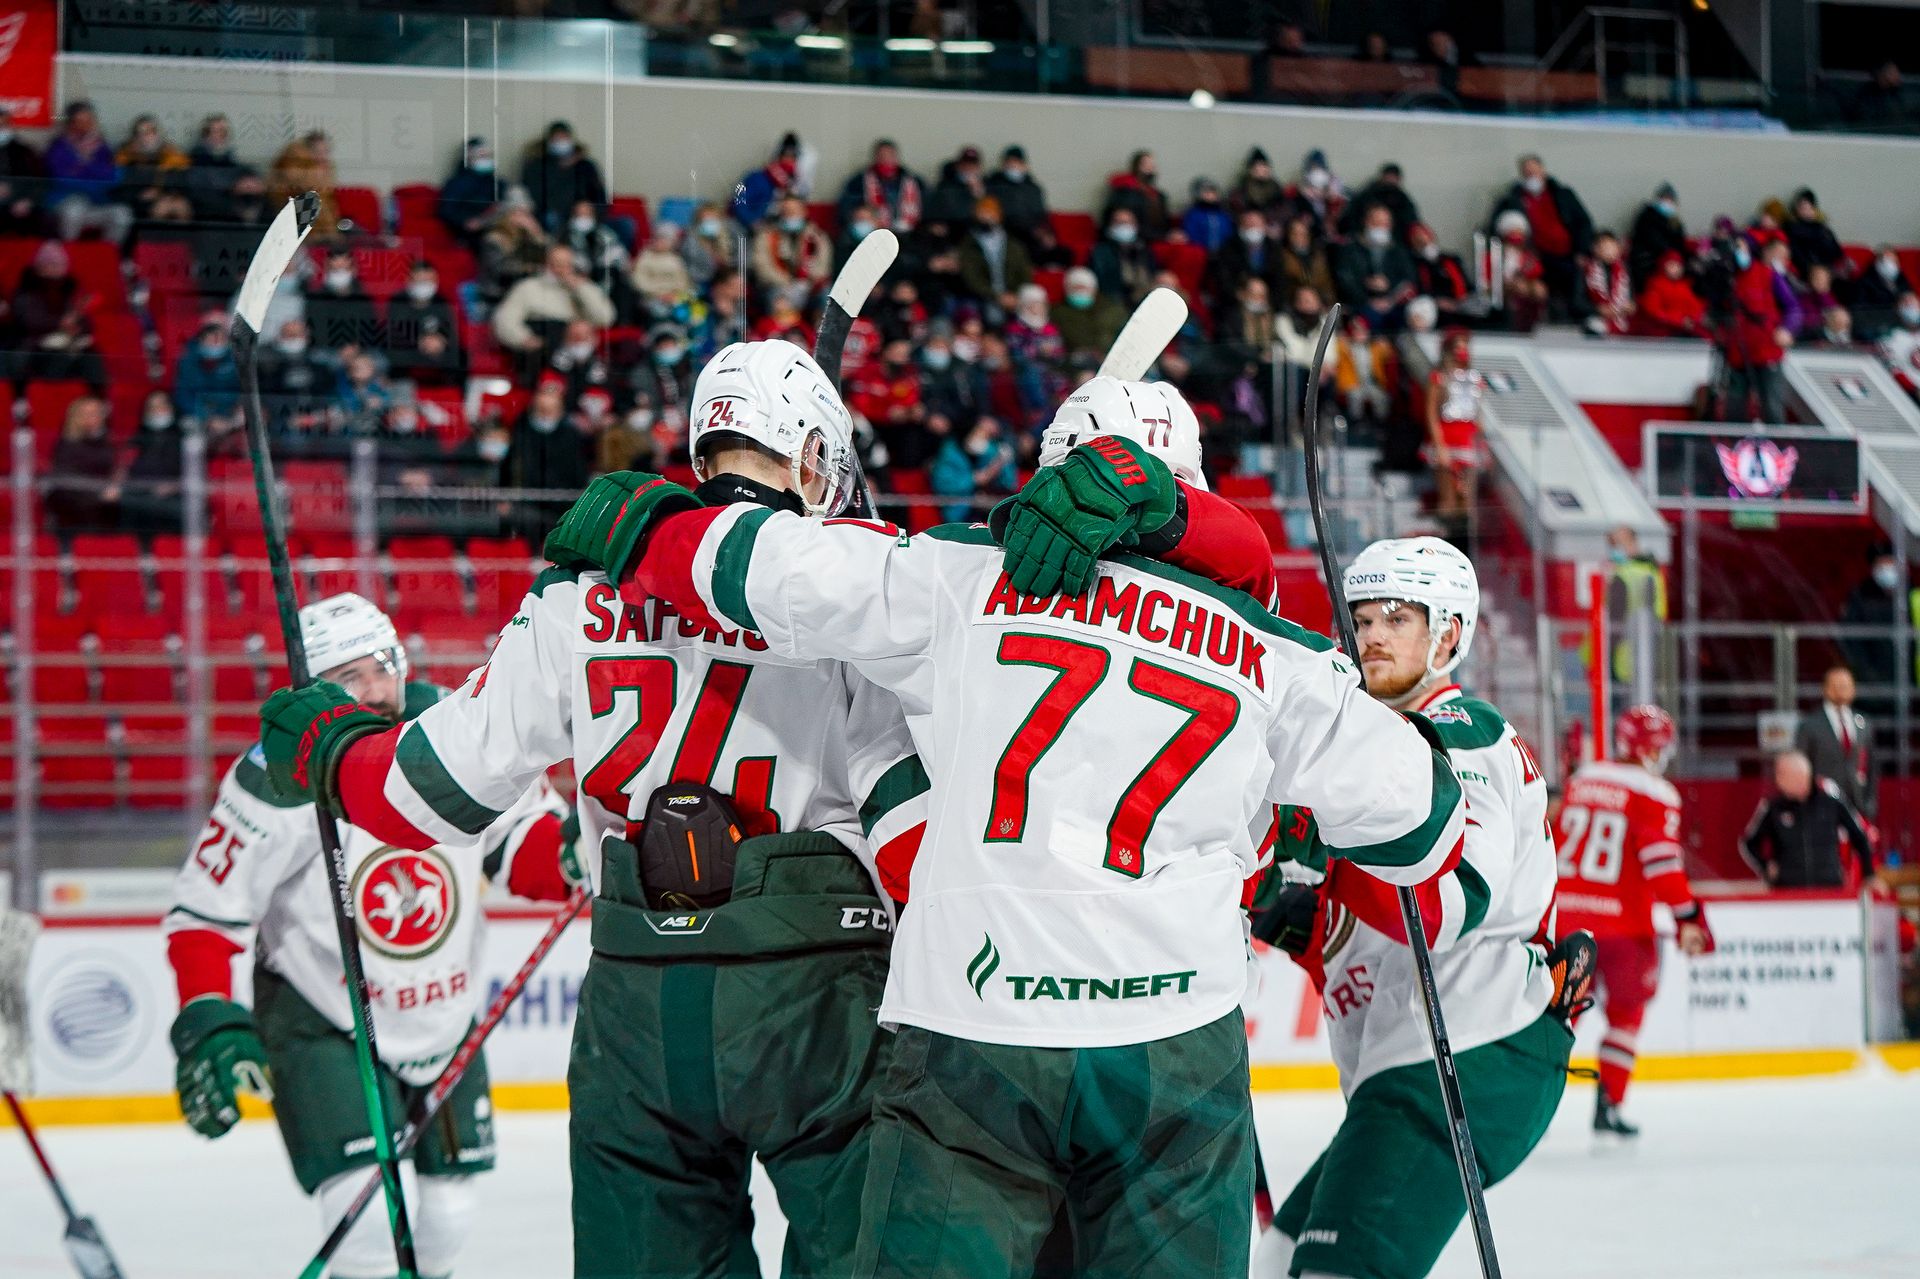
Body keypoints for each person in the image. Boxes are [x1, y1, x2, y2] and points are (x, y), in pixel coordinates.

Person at [531, 392, 1466, 1279]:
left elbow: (754, 570)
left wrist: (650, 527)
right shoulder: (1279, 654)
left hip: (971, 1028)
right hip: (1174, 1035)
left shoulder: (957, 575)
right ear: (1196, 491)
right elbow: (1427, 824)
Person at [252, 342, 926, 1278]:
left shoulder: (583, 584)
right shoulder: (853, 580)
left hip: (638, 994)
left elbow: (432, 788)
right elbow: (907, 817)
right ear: (812, 453)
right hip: (815, 992)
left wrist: (332, 747)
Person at [168, 594, 573, 1279]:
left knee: (447, 1221)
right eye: (351, 678)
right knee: (364, 1231)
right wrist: (210, 1015)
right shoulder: (279, 774)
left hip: (439, 1015)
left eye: (384, 664)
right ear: (315, 688)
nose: (379, 689)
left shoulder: (453, 727)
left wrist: (569, 853)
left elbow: (516, 841)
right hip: (325, 1014)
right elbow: (207, 911)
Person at [1254, 536, 1578, 1278]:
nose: (1371, 635)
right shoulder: (1370, 746)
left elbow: (1447, 903)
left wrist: (1323, 852)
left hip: (1465, 1047)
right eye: (1362, 618)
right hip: (1410, 1057)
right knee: (1277, 1259)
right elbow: (1339, 926)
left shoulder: (1460, 734)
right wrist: (1270, 901)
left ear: (1449, 634)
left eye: (1396, 618)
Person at [1556, 705, 1713, 1138]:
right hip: (1626, 926)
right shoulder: (1655, 792)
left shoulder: (1584, 778)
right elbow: (1661, 865)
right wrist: (1689, 916)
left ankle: (1529, 1106)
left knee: (1557, 1019)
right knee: (1626, 1016)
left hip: (1567, 919)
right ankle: (1609, 1105)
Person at [1742, 751, 1876, 889]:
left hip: (1830, 889)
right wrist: (1766, 867)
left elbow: (1860, 837)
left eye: (1803, 778)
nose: (1802, 783)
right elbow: (1748, 843)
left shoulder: (1831, 802)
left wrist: (1869, 874)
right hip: (1788, 892)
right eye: (1794, 778)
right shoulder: (1772, 807)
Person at [1488, 154, 1593, 320]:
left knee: (1575, 278)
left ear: (1543, 171)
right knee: (1532, 287)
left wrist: (1582, 250)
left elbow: (1583, 222)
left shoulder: (1563, 194)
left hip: (1567, 255)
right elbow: (1497, 226)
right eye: (1527, 172)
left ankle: (1574, 318)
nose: (1531, 175)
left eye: (1534, 171)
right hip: (1534, 255)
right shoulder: (1512, 199)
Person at [493, 245, 616, 377]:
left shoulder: (583, 287)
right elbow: (505, 319)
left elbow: (606, 317)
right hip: (540, 345)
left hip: (573, 345)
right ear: (546, 264)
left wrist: (581, 289)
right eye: (556, 263)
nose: (560, 269)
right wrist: (523, 338)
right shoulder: (528, 287)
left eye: (566, 264)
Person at [1795, 664, 1877, 821]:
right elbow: (1801, 768)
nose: (1842, 689)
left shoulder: (1864, 724)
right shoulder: (1809, 725)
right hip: (1821, 808)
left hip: (1858, 807)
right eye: (1837, 685)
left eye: (1846, 685)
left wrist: (1870, 805)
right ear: (1825, 689)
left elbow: (1871, 768)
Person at [43, 100, 133, 244]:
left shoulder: (103, 148)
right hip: (66, 203)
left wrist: (84, 166)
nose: (85, 126)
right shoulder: (58, 148)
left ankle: (105, 257)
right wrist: (95, 177)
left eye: (88, 120)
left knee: (121, 215)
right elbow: (62, 180)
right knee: (74, 211)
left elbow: (115, 177)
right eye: (79, 121)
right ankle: (68, 259)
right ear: (70, 123)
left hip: (97, 204)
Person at [1723, 234, 1791, 421]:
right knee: (1734, 407)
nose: (1739, 252)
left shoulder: (1769, 275)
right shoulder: (1729, 277)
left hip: (1766, 349)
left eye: (1742, 248)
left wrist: (1787, 329)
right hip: (1737, 350)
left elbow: (1793, 306)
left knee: (1771, 407)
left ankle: (1776, 447)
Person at [1426, 328, 1485, 536]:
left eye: (1465, 345)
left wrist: (1483, 441)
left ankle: (1465, 543)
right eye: (1457, 346)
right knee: (1448, 496)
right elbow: (1431, 413)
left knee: (1467, 497)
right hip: (1447, 434)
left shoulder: (1475, 377)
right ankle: (1446, 539)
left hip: (1468, 437)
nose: (1462, 350)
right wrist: (1439, 445)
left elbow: (1478, 412)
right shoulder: (1439, 378)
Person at [1336, 202, 1417, 330]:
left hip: (1393, 303)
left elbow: (1408, 278)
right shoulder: (1351, 249)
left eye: (1385, 223)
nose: (1381, 227)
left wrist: (1389, 286)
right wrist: (1366, 289)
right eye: (1376, 222)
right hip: (1360, 304)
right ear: (1367, 222)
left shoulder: (1398, 250)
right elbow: (1345, 279)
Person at [46, 394, 119, 533]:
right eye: (89, 413)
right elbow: (66, 480)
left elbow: (112, 469)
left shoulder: (107, 442)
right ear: (76, 417)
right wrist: (99, 495)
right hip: (75, 502)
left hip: (105, 499)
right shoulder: (66, 445)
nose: (95, 417)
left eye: (98, 413)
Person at [385, 261, 464, 386]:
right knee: (393, 353)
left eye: (428, 280)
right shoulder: (398, 301)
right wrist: (419, 341)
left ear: (436, 281)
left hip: (435, 351)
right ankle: (400, 393)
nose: (424, 285)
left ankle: (454, 396)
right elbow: (394, 332)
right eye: (420, 280)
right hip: (407, 350)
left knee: (461, 357)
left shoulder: (442, 302)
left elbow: (450, 334)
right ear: (409, 280)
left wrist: (440, 341)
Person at [519, 121, 606, 232]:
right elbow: (533, 199)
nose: (560, 142)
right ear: (549, 142)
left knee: (624, 225)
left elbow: (600, 198)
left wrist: (591, 209)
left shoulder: (586, 166)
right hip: (549, 217)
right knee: (551, 218)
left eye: (564, 137)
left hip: (587, 217)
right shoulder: (535, 167)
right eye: (556, 138)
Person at [1839, 545, 1905, 690]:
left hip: (1909, 682)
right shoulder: (1861, 596)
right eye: (1881, 565)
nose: (1886, 569)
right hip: (1872, 684)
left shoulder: (1911, 594)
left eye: (1890, 563)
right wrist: (1867, 674)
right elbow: (1849, 638)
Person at [929, 412, 1015, 522]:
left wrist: (997, 458)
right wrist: (974, 479)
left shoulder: (990, 449)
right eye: (979, 431)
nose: (983, 436)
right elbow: (942, 486)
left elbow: (1009, 482)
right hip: (959, 512)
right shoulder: (949, 454)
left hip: (990, 509)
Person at [958, 196, 1033, 321]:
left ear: (999, 215)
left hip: (1013, 295)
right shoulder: (969, 244)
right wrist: (998, 296)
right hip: (985, 296)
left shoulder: (1013, 245)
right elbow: (972, 279)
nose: (986, 217)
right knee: (994, 316)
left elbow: (1024, 273)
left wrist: (1016, 295)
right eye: (982, 213)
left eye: (990, 213)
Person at [257, 319, 338, 434]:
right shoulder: (267, 362)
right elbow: (265, 395)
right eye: (288, 335)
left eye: (297, 335)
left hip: (316, 419)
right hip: (279, 421)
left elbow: (329, 392)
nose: (293, 340)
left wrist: (314, 417)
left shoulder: (319, 361)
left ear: (306, 336)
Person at [750, 195, 833, 306]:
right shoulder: (767, 236)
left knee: (827, 295)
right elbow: (763, 267)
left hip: (809, 286)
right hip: (779, 286)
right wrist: (787, 283)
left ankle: (823, 322)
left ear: (804, 212)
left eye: (795, 211)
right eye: (786, 211)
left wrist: (808, 282)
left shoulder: (817, 236)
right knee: (778, 298)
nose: (791, 214)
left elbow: (823, 265)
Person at [113, 113, 190, 224]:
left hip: (168, 197)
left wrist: (168, 195)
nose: (147, 137)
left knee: (181, 206)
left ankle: (182, 240)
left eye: (152, 131)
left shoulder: (171, 154)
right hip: (138, 201)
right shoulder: (125, 156)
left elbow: (182, 181)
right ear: (135, 137)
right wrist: (140, 196)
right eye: (142, 133)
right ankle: (155, 240)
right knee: (161, 209)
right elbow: (119, 189)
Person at [305, 250, 386, 354]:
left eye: (344, 268)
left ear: (354, 270)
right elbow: (317, 331)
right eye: (335, 269)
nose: (340, 273)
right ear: (326, 270)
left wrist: (356, 347)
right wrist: (340, 349)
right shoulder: (316, 299)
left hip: (359, 350)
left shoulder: (364, 297)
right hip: (328, 350)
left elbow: (370, 329)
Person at [172, 320, 244, 436]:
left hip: (229, 413)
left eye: (221, 340)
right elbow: (183, 394)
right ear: (201, 341)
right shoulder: (187, 361)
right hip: (198, 415)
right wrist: (207, 417)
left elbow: (241, 390)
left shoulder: (236, 361)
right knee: (190, 429)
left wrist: (231, 411)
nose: (216, 344)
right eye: (211, 340)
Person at [838, 138, 925, 233]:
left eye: (890, 155)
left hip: (910, 232)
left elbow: (926, 208)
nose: (886, 160)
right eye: (882, 156)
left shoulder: (914, 181)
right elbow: (847, 211)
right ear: (875, 158)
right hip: (872, 232)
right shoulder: (858, 182)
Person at [268, 130, 340, 237]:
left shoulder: (325, 171)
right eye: (318, 152)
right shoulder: (295, 171)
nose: (323, 157)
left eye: (326, 152)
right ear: (306, 152)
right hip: (294, 226)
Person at [438, 137, 502, 244]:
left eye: (488, 156)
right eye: (482, 156)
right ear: (468, 158)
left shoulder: (497, 182)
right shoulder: (456, 184)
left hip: (499, 222)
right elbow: (447, 211)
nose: (486, 160)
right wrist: (466, 221)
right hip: (473, 232)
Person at [984, 145, 1049, 249]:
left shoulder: (1033, 188)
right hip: (1001, 232)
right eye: (1009, 162)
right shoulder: (993, 184)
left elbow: (1041, 214)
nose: (1013, 166)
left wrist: (1043, 232)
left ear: (1024, 165)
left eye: (1016, 162)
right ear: (1003, 165)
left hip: (1028, 234)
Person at [1051, 266, 1125, 357]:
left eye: (1083, 288)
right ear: (1067, 290)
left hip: (1112, 357)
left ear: (1094, 289)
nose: (1080, 292)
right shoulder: (1057, 313)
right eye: (1076, 288)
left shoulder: (1112, 310)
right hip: (1077, 361)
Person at [1338, 162, 1420, 244]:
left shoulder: (1403, 200)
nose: (1390, 180)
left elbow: (1412, 223)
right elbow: (1350, 218)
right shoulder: (1366, 196)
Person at [1089, 207, 1153, 309]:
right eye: (1119, 222)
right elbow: (1104, 282)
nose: (1124, 226)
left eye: (1128, 222)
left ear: (1135, 226)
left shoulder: (1143, 249)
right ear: (1110, 226)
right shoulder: (1101, 252)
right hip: (1115, 299)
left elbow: (1153, 272)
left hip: (1146, 296)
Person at [0, 105, 49, 236]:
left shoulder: (24, 151)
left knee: (39, 218)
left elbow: (37, 181)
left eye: (4, 125)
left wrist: (27, 200)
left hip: (17, 203)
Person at [1627, 182, 1687, 290]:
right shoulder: (1646, 216)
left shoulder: (1675, 221)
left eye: (1671, 200)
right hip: (1647, 258)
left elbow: (1680, 242)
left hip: (1670, 259)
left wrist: (1676, 258)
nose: (1668, 203)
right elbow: (1651, 239)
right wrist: (1669, 256)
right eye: (1665, 199)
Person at [1633, 251, 1707, 338]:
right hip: (1663, 332)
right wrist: (1680, 321)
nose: (1676, 269)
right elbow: (1654, 311)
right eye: (1672, 265)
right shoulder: (1655, 284)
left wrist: (1692, 319)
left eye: (1679, 266)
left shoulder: (1684, 286)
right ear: (1664, 266)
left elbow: (1695, 306)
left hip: (1683, 329)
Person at [1102, 149, 1170, 241]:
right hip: (1132, 238)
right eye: (1146, 164)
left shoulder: (1158, 195)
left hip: (1155, 236)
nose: (1150, 167)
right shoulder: (1124, 191)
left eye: (1152, 165)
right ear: (1136, 166)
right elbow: (1122, 220)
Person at [1409, 222, 1469, 318]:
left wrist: (1461, 300)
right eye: (1417, 238)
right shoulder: (1416, 264)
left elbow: (1466, 284)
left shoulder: (1452, 259)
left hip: (1460, 301)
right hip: (1435, 303)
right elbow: (1420, 289)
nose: (1423, 240)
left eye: (1424, 235)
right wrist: (1438, 301)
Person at [1784, 188, 1844, 281]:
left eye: (1808, 206)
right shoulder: (1792, 227)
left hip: (1829, 270)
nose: (1805, 210)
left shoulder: (1822, 228)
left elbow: (1837, 251)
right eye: (1802, 207)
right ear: (1796, 208)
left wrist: (1816, 224)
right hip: (1810, 271)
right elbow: (1796, 254)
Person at [1583, 230, 1635, 336]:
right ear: (1596, 249)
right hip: (1595, 320)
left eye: (1613, 247)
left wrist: (1631, 306)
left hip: (1622, 320)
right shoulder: (1585, 270)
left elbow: (1632, 298)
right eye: (1606, 248)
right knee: (1594, 326)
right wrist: (1598, 310)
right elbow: (1577, 303)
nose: (1610, 251)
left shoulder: (1625, 270)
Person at [926, 144, 988, 227]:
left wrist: (980, 194)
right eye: (965, 164)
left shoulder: (987, 183)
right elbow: (944, 208)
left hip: (979, 225)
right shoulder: (946, 184)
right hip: (953, 225)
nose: (968, 167)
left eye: (972, 165)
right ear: (958, 165)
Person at [1181, 177, 1235, 254]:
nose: (1210, 195)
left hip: (1223, 253)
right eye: (1206, 193)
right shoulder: (1193, 214)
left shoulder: (1224, 214)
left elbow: (1229, 232)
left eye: (1213, 192)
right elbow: (1191, 234)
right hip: (1200, 252)